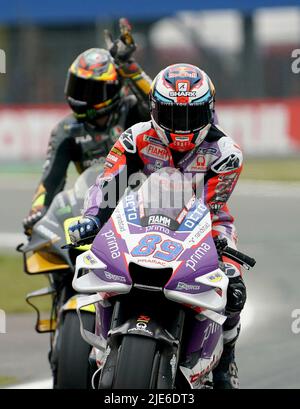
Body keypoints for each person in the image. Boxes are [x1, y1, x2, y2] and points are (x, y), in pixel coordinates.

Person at [68, 63, 247, 389]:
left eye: (191, 116)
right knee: (97, 260)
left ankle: (224, 363)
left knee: (233, 285)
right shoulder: (133, 139)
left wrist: (214, 245)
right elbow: (107, 186)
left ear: (209, 111)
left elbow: (212, 207)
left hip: (207, 224)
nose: (181, 126)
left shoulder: (226, 154)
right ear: (153, 110)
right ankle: (100, 345)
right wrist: (93, 219)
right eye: (172, 115)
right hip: (139, 219)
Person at [23, 19, 152, 235]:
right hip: (93, 211)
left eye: (90, 90)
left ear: (112, 89)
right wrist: (38, 211)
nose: (80, 97)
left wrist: (130, 67)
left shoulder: (133, 111)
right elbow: (51, 178)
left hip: (142, 208)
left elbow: (160, 107)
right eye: (77, 86)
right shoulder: (66, 129)